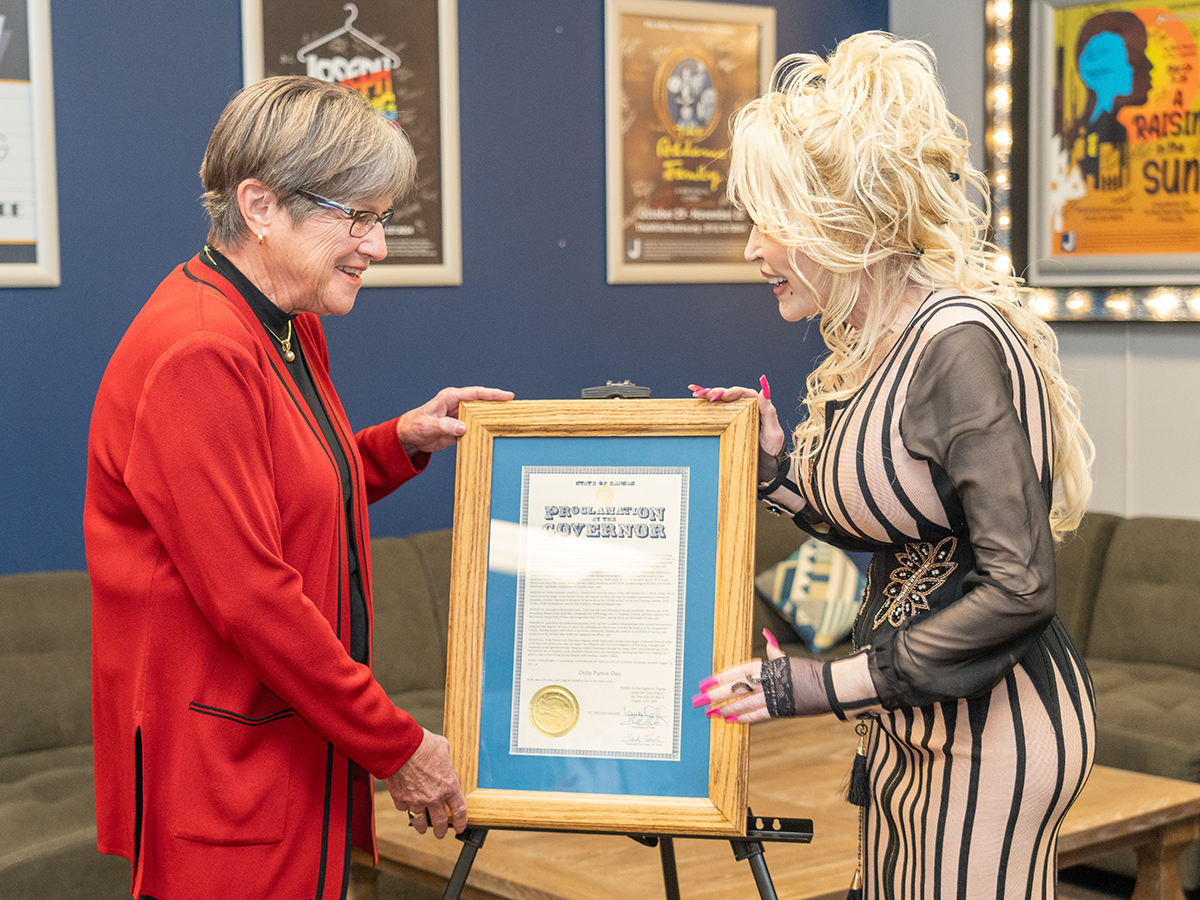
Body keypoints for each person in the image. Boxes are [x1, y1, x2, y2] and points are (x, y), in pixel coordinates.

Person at [83, 76, 512, 900]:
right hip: (226, 769)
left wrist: (396, 442)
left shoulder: (286, 320)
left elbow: (281, 489)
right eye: (354, 217)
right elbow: (252, 594)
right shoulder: (199, 352)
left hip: (291, 745)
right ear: (259, 206)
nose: (376, 246)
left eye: (381, 219)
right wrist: (399, 745)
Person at [690, 33, 1096, 899]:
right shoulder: (881, 345)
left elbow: (1019, 586)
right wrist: (774, 469)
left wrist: (813, 684)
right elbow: (896, 519)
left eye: (768, 221)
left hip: (998, 727)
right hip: (917, 718)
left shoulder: (955, 345)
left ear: (835, 222)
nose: (753, 251)